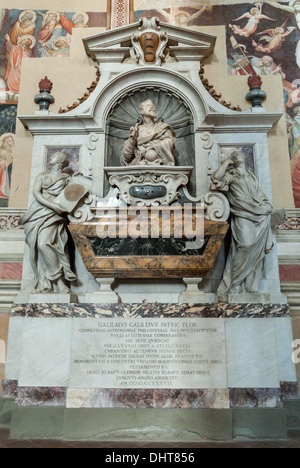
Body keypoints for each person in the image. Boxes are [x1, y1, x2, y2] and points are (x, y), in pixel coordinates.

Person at [211, 151, 274, 299]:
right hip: (242, 214)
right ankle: (234, 283)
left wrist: (266, 206)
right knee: (245, 245)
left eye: (239, 154)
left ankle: (247, 285)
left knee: (255, 251)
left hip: (259, 215)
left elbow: (260, 195)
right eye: (234, 154)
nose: (237, 155)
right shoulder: (232, 174)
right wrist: (226, 162)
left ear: (245, 158)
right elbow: (216, 179)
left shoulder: (251, 176)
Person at [19, 152, 77, 294]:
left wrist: (78, 181)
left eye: (55, 156)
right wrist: (52, 205)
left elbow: (72, 196)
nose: (51, 157)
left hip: (54, 215)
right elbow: (36, 194)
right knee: (40, 245)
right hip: (38, 212)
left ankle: (60, 281)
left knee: (43, 244)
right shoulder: (42, 176)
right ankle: (53, 282)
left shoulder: (66, 178)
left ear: (60, 161)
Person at [122, 99, 176, 166]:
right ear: (142, 111)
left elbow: (169, 142)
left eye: (153, 106)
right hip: (140, 164)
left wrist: (151, 147)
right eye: (148, 106)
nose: (152, 107)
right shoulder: (137, 130)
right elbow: (126, 157)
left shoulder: (162, 127)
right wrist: (132, 140)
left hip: (161, 163)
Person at [0, 133, 14, 199]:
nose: (12, 142)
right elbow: (3, 160)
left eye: (12, 140)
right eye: (10, 141)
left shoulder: (16, 149)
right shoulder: (4, 151)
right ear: (6, 143)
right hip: (6, 169)